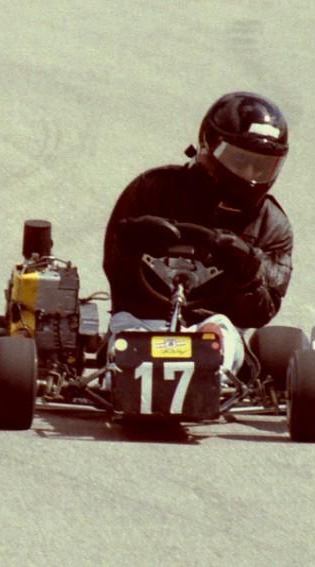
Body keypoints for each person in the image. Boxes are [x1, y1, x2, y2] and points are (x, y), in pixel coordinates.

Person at [102, 92, 294, 377]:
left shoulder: (271, 224)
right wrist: (131, 247)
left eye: (262, 166)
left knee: (218, 337)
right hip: (142, 318)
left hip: (216, 325)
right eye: (240, 160)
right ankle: (132, 367)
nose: (251, 174)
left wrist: (248, 276)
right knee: (132, 336)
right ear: (209, 145)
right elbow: (117, 276)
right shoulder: (152, 191)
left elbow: (259, 312)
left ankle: (203, 365)